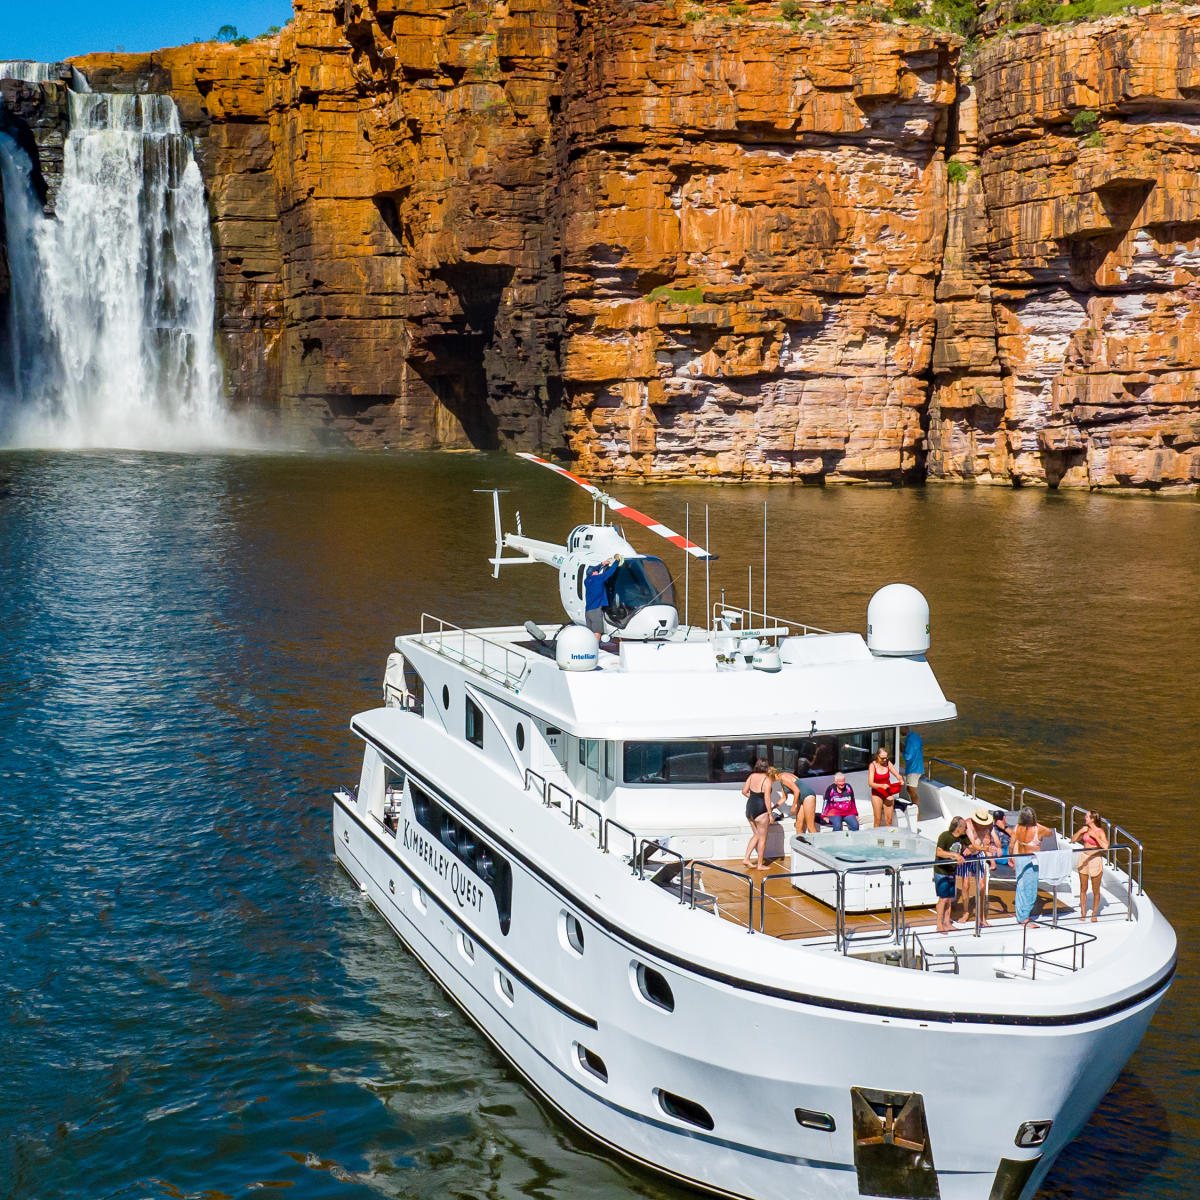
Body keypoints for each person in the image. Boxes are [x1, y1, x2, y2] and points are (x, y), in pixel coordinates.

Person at [1010, 805, 1055, 927]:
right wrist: (1037, 824)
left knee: (1020, 888)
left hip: (1019, 859)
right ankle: (1024, 918)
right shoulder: (1038, 829)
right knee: (1030, 890)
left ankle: (1020, 915)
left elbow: (1011, 844)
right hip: (1031, 861)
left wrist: (1010, 858)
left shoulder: (1016, 828)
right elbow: (1050, 833)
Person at [962, 809, 999, 926]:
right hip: (966, 856)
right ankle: (966, 912)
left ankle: (982, 917)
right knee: (965, 885)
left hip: (979, 855)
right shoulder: (968, 825)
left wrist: (998, 847)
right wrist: (987, 848)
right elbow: (973, 845)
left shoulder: (988, 826)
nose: (983, 826)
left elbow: (996, 840)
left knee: (982, 886)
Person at [1071, 810, 1109, 922]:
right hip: (1084, 859)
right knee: (1083, 888)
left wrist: (1095, 837)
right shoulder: (1085, 829)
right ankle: (1083, 913)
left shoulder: (1100, 831)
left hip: (1095, 861)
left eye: (1087, 816)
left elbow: (1105, 846)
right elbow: (1073, 840)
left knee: (1095, 889)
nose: (1085, 817)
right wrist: (1080, 831)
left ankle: (1094, 913)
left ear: (1092, 819)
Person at [934, 816, 967, 933]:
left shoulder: (963, 837)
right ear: (958, 828)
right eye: (965, 827)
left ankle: (947, 922)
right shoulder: (945, 836)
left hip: (952, 871)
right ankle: (939, 924)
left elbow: (971, 848)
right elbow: (939, 852)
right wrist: (955, 855)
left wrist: (985, 847)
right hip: (942, 871)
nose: (966, 829)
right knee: (943, 898)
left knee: (949, 898)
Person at [741, 758, 775, 869]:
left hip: (750, 807)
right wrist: (770, 814)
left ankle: (746, 858)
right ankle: (760, 865)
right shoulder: (767, 780)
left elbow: (744, 791)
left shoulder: (751, 776)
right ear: (767, 767)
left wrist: (754, 798)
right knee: (762, 838)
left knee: (756, 834)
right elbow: (767, 799)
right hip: (761, 810)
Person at [770, 766, 817, 834]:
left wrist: (793, 806)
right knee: (798, 825)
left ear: (772, 776)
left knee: (810, 826)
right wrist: (773, 808)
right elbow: (784, 798)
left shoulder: (784, 777)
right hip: (801, 799)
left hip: (808, 796)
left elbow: (796, 791)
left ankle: (817, 843)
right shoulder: (781, 781)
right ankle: (799, 844)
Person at [583, 555, 622, 635]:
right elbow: (610, 572)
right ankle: (595, 647)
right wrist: (616, 561)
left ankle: (589, 646)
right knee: (597, 633)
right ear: (594, 573)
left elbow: (594, 570)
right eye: (595, 570)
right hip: (596, 611)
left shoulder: (587, 580)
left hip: (588, 611)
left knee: (590, 633)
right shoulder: (598, 579)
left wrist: (602, 564)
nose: (597, 571)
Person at [868, 746, 904, 829]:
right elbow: (870, 783)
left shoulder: (888, 763)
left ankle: (888, 838)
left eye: (886, 758)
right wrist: (881, 785)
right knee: (877, 819)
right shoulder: (872, 765)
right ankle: (875, 838)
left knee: (889, 820)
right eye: (882, 758)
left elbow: (897, 775)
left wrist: (900, 779)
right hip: (877, 793)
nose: (885, 760)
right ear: (877, 756)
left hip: (887, 792)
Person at [901, 726, 924, 808]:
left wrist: (902, 749)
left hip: (913, 769)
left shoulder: (910, 740)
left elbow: (908, 756)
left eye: (900, 729)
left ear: (905, 728)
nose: (900, 732)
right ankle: (915, 808)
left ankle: (917, 811)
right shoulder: (916, 736)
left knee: (911, 790)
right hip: (919, 767)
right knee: (909, 789)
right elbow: (920, 744)